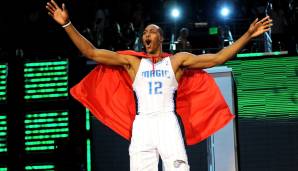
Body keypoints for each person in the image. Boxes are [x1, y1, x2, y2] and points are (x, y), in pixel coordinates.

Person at [46, 0, 272, 170]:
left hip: (167, 122)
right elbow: (91, 52)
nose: (147, 34)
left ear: (161, 37)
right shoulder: (132, 63)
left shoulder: (177, 61)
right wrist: (67, 24)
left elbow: (218, 59)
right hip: (142, 124)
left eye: (152, 31)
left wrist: (248, 35)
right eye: (145, 32)